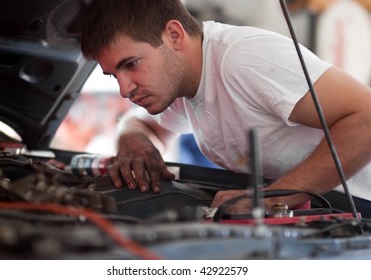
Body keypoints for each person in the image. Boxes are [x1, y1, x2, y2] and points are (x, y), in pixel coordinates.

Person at [81, 0, 371, 214]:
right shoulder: (178, 82)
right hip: (321, 213)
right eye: (113, 75)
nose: (124, 89)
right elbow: (139, 124)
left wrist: (271, 197)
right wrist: (133, 141)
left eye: (131, 64)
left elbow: (366, 115)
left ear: (174, 35)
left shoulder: (243, 59)